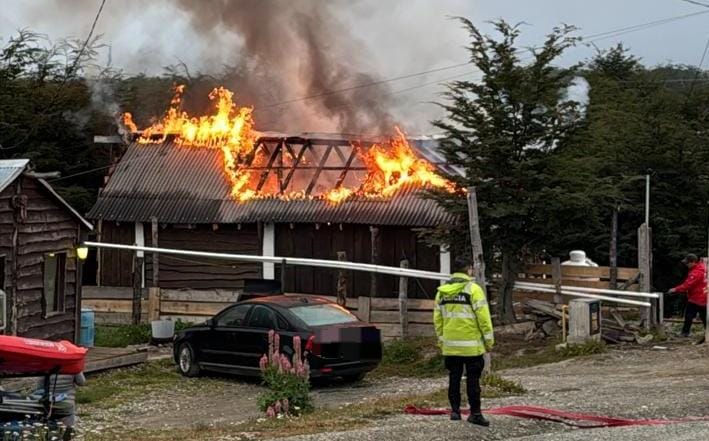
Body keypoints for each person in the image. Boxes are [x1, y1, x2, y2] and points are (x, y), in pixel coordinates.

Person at [433, 257, 494, 426]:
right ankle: (475, 413)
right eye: (472, 269)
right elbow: (484, 319)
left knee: (454, 378)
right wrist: (489, 341)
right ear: (468, 269)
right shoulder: (473, 290)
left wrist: (442, 341)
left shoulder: (442, 292)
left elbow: (437, 320)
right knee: (473, 380)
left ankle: (455, 412)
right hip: (471, 347)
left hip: (450, 347)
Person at [33, 372, 86, 440]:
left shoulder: (47, 365)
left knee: (51, 429)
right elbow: (81, 382)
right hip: (67, 404)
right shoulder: (72, 365)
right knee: (68, 430)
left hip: (50, 403)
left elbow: (40, 386)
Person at [668, 253, 707, 343]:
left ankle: (685, 332)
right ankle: (705, 332)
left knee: (689, 315)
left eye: (687, 263)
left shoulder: (696, 272)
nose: (686, 265)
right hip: (702, 296)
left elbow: (688, 285)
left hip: (697, 298)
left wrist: (675, 289)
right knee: (703, 316)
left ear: (693, 262)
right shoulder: (702, 268)